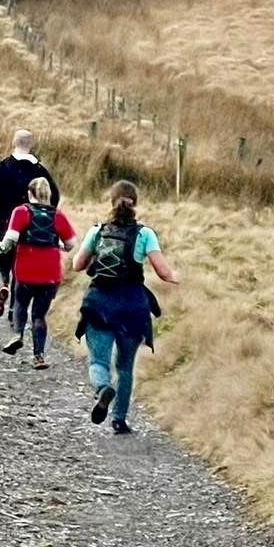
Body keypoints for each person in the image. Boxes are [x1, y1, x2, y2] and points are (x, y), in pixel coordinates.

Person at [73, 180, 180, 435]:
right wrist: (180, 278)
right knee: (125, 366)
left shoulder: (97, 231)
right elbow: (164, 272)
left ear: (111, 201)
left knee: (98, 361)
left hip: (99, 304)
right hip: (132, 307)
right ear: (136, 203)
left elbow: (78, 264)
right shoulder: (145, 234)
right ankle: (119, 420)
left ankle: (102, 389)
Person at [0, 177, 76, 368]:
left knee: (20, 303)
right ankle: (39, 356)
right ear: (49, 194)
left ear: (30, 193)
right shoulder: (58, 215)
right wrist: (56, 244)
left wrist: (0, 248)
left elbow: (11, 239)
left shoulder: (21, 211)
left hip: (26, 271)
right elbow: (71, 244)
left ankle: (17, 334)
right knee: (39, 315)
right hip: (50, 274)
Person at [0, 130, 60, 317]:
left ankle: (3, 285)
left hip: (6, 222)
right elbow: (55, 197)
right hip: (32, 225)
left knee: (4, 262)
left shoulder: (3, 166)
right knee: (20, 265)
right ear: (31, 145)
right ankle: (13, 309)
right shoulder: (40, 171)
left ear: (13, 142)